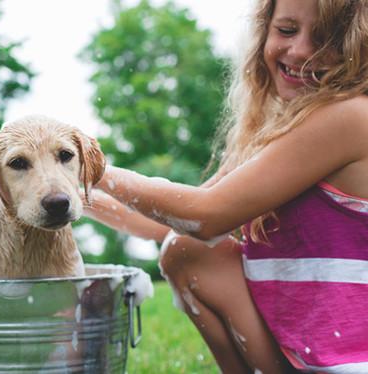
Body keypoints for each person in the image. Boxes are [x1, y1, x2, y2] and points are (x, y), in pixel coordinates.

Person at [85, 0, 368, 372]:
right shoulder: (277, 130)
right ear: (263, 33)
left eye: (324, 38)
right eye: (285, 30)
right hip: (306, 356)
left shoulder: (351, 116)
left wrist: (91, 165)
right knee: (187, 251)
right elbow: (171, 224)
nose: (298, 50)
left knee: (190, 244)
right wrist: (66, 194)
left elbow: (206, 217)